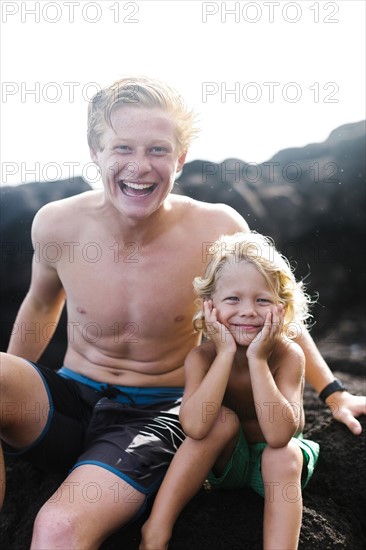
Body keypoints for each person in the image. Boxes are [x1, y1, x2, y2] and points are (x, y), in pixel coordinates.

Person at [0, 76, 364, 549]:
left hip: (155, 414)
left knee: (56, 531)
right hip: (69, 398)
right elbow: (40, 307)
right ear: (95, 151)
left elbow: (276, 310)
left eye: (157, 150)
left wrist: (334, 394)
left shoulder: (216, 228)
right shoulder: (56, 223)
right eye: (123, 148)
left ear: (181, 158)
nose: (139, 166)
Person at [140, 231, 320, 550]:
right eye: (233, 299)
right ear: (209, 306)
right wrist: (224, 354)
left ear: (281, 307)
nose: (248, 311)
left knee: (285, 454)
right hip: (229, 465)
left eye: (262, 300)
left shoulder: (288, 355)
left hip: (276, 468)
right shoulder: (202, 358)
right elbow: (194, 427)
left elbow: (280, 435)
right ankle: (155, 531)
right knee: (219, 421)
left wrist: (257, 359)